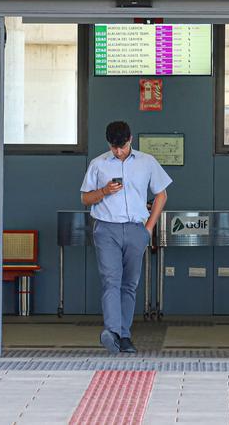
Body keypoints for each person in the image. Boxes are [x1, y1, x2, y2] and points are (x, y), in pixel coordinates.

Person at [80, 121, 171, 354]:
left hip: (135, 229)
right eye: (114, 147)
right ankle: (113, 333)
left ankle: (124, 333)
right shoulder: (98, 164)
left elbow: (161, 194)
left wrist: (148, 227)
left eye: (121, 146)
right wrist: (103, 191)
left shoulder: (147, 162)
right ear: (108, 144)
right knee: (111, 280)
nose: (118, 151)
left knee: (129, 284)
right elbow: (85, 199)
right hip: (106, 229)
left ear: (130, 139)